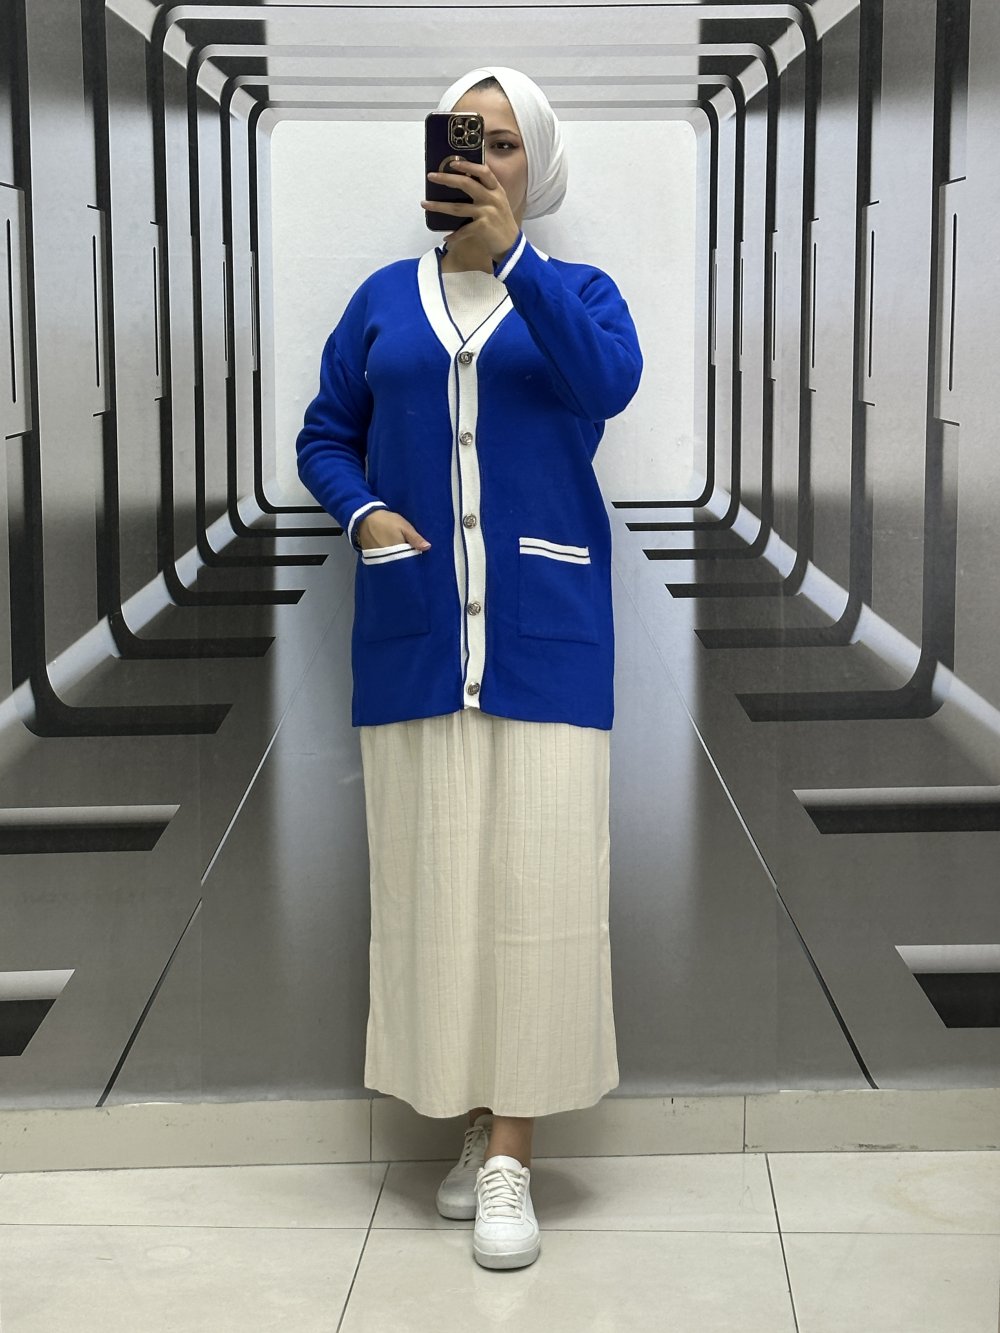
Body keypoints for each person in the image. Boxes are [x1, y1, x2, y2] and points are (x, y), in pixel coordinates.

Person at [295, 66, 643, 1271]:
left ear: (534, 164)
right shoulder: (382, 302)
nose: (482, 160)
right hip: (416, 645)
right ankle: (468, 1125)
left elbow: (608, 385)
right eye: (463, 140)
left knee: (540, 900)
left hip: (548, 641)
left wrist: (517, 261)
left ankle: (512, 1157)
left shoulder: (577, 293)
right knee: (436, 899)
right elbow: (324, 434)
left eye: (503, 144)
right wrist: (362, 514)